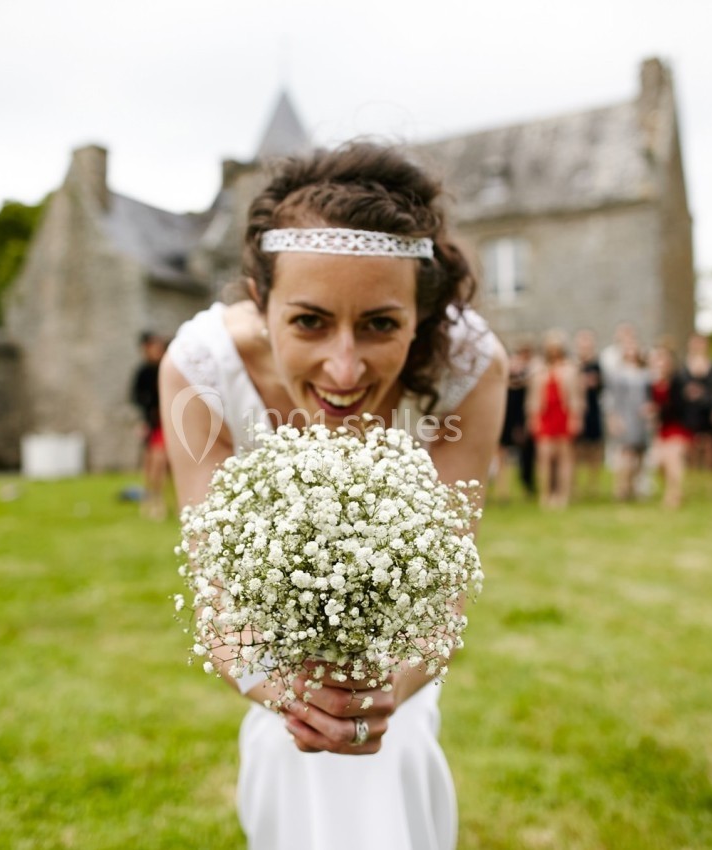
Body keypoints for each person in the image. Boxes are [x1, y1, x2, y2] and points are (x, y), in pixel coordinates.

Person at [160, 143, 506, 850]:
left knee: (395, 750)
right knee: (293, 752)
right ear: (260, 302)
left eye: (380, 324)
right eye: (309, 321)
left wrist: (384, 692)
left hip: (398, 657)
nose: (343, 369)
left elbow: (442, 590)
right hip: (270, 656)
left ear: (421, 314)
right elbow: (216, 588)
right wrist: (285, 692)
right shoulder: (198, 369)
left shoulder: (471, 367)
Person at [527, 329, 582, 508]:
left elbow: (576, 397)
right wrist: (532, 417)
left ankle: (562, 495)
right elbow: (532, 397)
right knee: (544, 456)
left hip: (563, 414)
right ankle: (545, 495)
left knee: (564, 457)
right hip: (545, 415)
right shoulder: (538, 369)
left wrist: (575, 417)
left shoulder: (570, 368)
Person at [604, 337, 650, 501]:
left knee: (639, 454)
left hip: (641, 419)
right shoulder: (617, 373)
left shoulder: (646, 373)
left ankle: (635, 487)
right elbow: (611, 398)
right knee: (625, 453)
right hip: (624, 417)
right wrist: (613, 418)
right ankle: (621, 489)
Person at [131, 331, 170, 519]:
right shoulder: (144, 372)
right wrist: (144, 421)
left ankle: (158, 500)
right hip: (153, 423)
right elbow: (137, 399)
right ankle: (151, 498)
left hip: (167, 422)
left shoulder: (166, 368)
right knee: (151, 461)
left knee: (160, 460)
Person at [648, 344, 691, 509]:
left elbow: (679, 406)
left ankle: (674, 495)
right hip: (662, 428)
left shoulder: (678, 382)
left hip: (677, 426)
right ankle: (672, 490)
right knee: (660, 463)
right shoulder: (653, 383)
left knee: (673, 460)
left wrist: (657, 409)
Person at [491, 341, 532, 503]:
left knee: (514, 458)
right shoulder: (499, 382)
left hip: (515, 422)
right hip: (501, 420)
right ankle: (501, 492)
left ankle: (517, 488)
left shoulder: (524, 382)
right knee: (500, 457)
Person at [681, 333, 712, 475]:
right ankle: (692, 474)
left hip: (709, 409)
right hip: (690, 411)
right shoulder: (683, 367)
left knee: (710, 443)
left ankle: (711, 475)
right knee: (691, 443)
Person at [573, 329, 605, 499]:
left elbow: (600, 387)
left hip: (593, 411)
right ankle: (575, 486)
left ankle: (593, 486)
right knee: (577, 449)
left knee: (594, 448)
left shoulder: (597, 365)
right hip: (578, 412)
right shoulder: (574, 365)